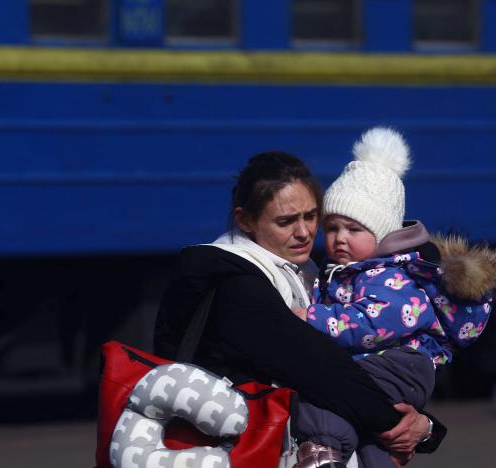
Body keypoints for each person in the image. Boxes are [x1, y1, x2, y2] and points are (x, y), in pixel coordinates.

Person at [154, 149, 444, 468]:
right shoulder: (233, 282)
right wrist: (407, 428)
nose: (304, 232)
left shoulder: (302, 269)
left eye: (310, 216)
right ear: (244, 220)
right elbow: (317, 367)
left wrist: (425, 428)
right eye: (286, 221)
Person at [292, 127, 496, 467]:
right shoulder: (346, 272)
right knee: (376, 432)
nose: (340, 239)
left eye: (354, 229)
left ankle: (323, 450)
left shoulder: (389, 276)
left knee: (330, 389)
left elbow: (373, 323)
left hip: (400, 364)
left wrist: (311, 319)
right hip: (390, 365)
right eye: (332, 228)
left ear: (383, 233)